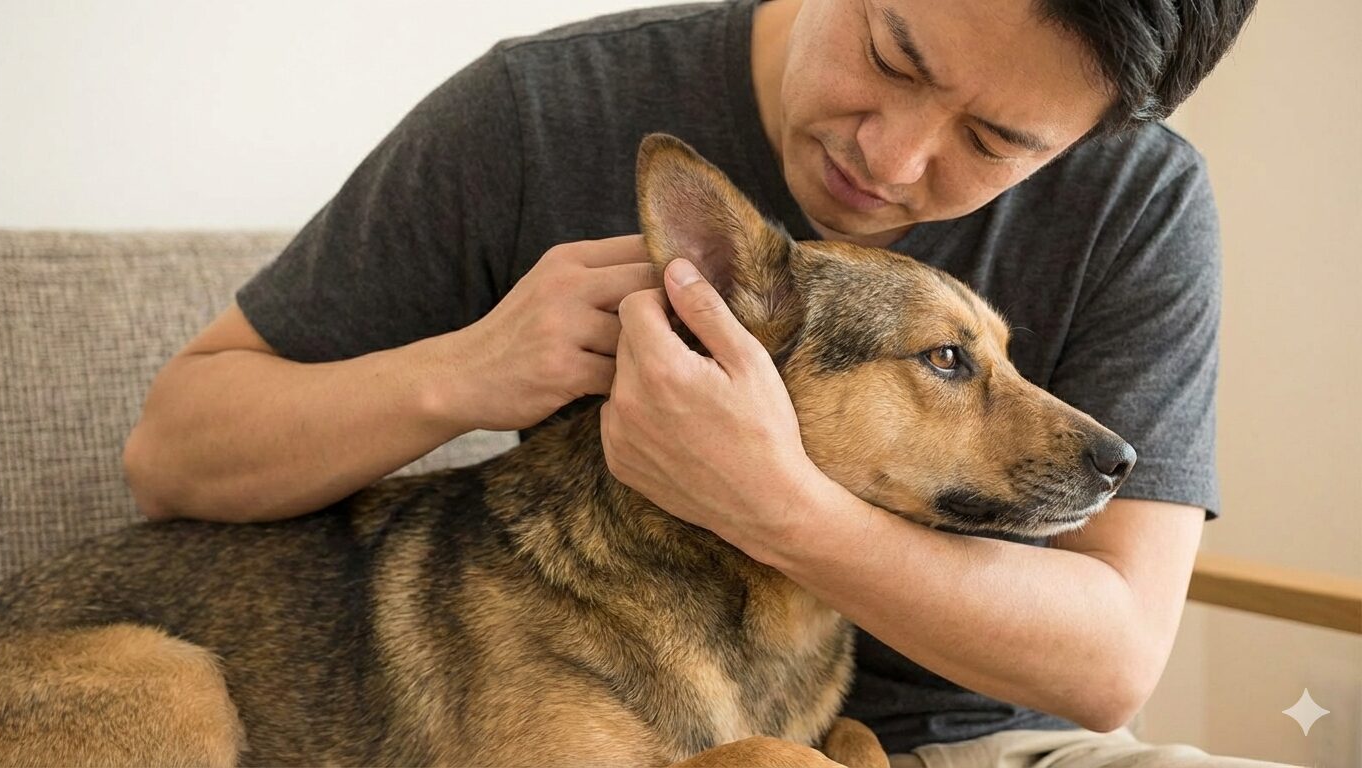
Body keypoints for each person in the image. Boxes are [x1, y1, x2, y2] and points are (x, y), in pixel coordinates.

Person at [123, 0, 1294, 765]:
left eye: (994, 142)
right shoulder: (535, 111)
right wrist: (468, 368)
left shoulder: (1137, 200)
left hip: (968, 737)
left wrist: (773, 505)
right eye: (889, 53)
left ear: (1088, 136)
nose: (888, 159)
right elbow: (173, 453)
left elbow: (1110, 663)